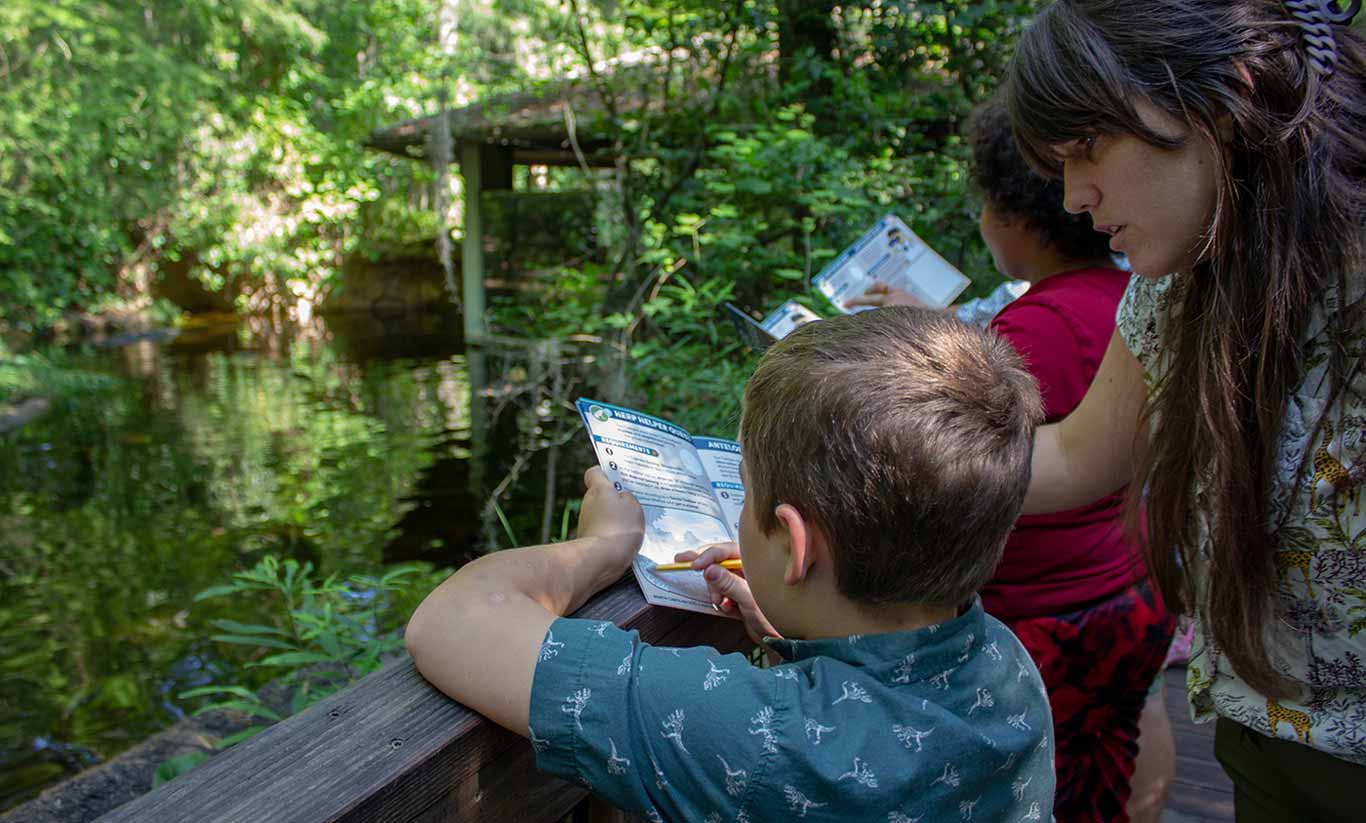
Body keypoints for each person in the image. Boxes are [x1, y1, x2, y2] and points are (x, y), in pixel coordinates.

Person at [406, 308, 1055, 822]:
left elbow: (451, 620)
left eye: (746, 489)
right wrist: (790, 632)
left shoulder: (770, 738)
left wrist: (600, 546)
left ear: (798, 548)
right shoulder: (1005, 665)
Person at [1003, 1, 1366, 820]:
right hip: (1264, 733)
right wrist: (878, 463)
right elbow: (1074, 456)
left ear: (1222, 94)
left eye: (1089, 147)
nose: (1073, 197)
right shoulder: (1173, 289)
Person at [818, 97, 1180, 823]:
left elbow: (954, 440)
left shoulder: (1027, 330)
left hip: (1046, 611)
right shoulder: (1134, 294)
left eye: (986, 205)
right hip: (1130, 589)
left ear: (1015, 219)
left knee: (1043, 781)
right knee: (1110, 754)